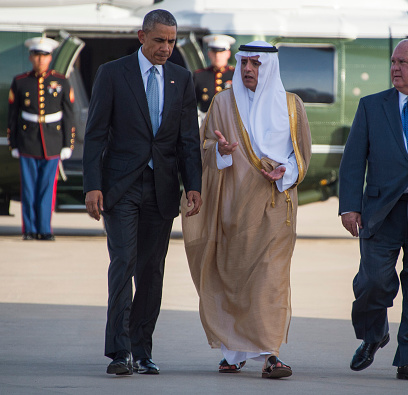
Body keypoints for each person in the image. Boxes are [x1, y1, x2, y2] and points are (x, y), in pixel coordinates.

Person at [83, 9, 203, 376]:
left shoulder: (182, 80)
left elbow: (187, 140)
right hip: (120, 188)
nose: (166, 48)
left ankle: (142, 349)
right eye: (159, 41)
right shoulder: (113, 74)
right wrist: (93, 185)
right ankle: (120, 352)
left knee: (152, 272)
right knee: (124, 263)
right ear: (141, 37)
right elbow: (96, 134)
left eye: (171, 41)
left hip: (162, 189)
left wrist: (193, 184)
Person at [181, 41, 311, 379]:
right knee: (232, 277)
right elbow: (203, 147)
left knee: (271, 279)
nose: (249, 69)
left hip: (274, 207)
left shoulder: (292, 106)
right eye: (245, 63)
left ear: (269, 67)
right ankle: (233, 352)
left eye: (256, 63)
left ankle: (271, 354)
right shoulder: (223, 103)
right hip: (232, 206)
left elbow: (303, 155)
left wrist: (287, 172)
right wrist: (221, 150)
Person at [338, 39, 408, 381]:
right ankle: (373, 336)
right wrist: (349, 207)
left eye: (403, 62)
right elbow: (353, 159)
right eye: (393, 62)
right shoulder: (372, 106)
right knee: (372, 283)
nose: (395, 68)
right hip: (379, 212)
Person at [7, 36, 75, 241]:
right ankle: (29, 229)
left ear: (50, 58)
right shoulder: (20, 82)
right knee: (28, 189)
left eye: (44, 56)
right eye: (37, 55)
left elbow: (68, 114)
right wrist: (13, 142)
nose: (40, 60)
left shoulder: (61, 81)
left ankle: (44, 229)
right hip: (28, 140)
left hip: (53, 141)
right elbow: (13, 115)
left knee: (47, 189)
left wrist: (67, 143)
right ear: (30, 57)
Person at [193, 34, 236, 119]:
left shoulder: (236, 75)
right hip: (206, 122)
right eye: (214, 52)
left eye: (221, 52)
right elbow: (191, 104)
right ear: (209, 54)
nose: (217, 56)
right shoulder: (199, 75)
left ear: (228, 54)